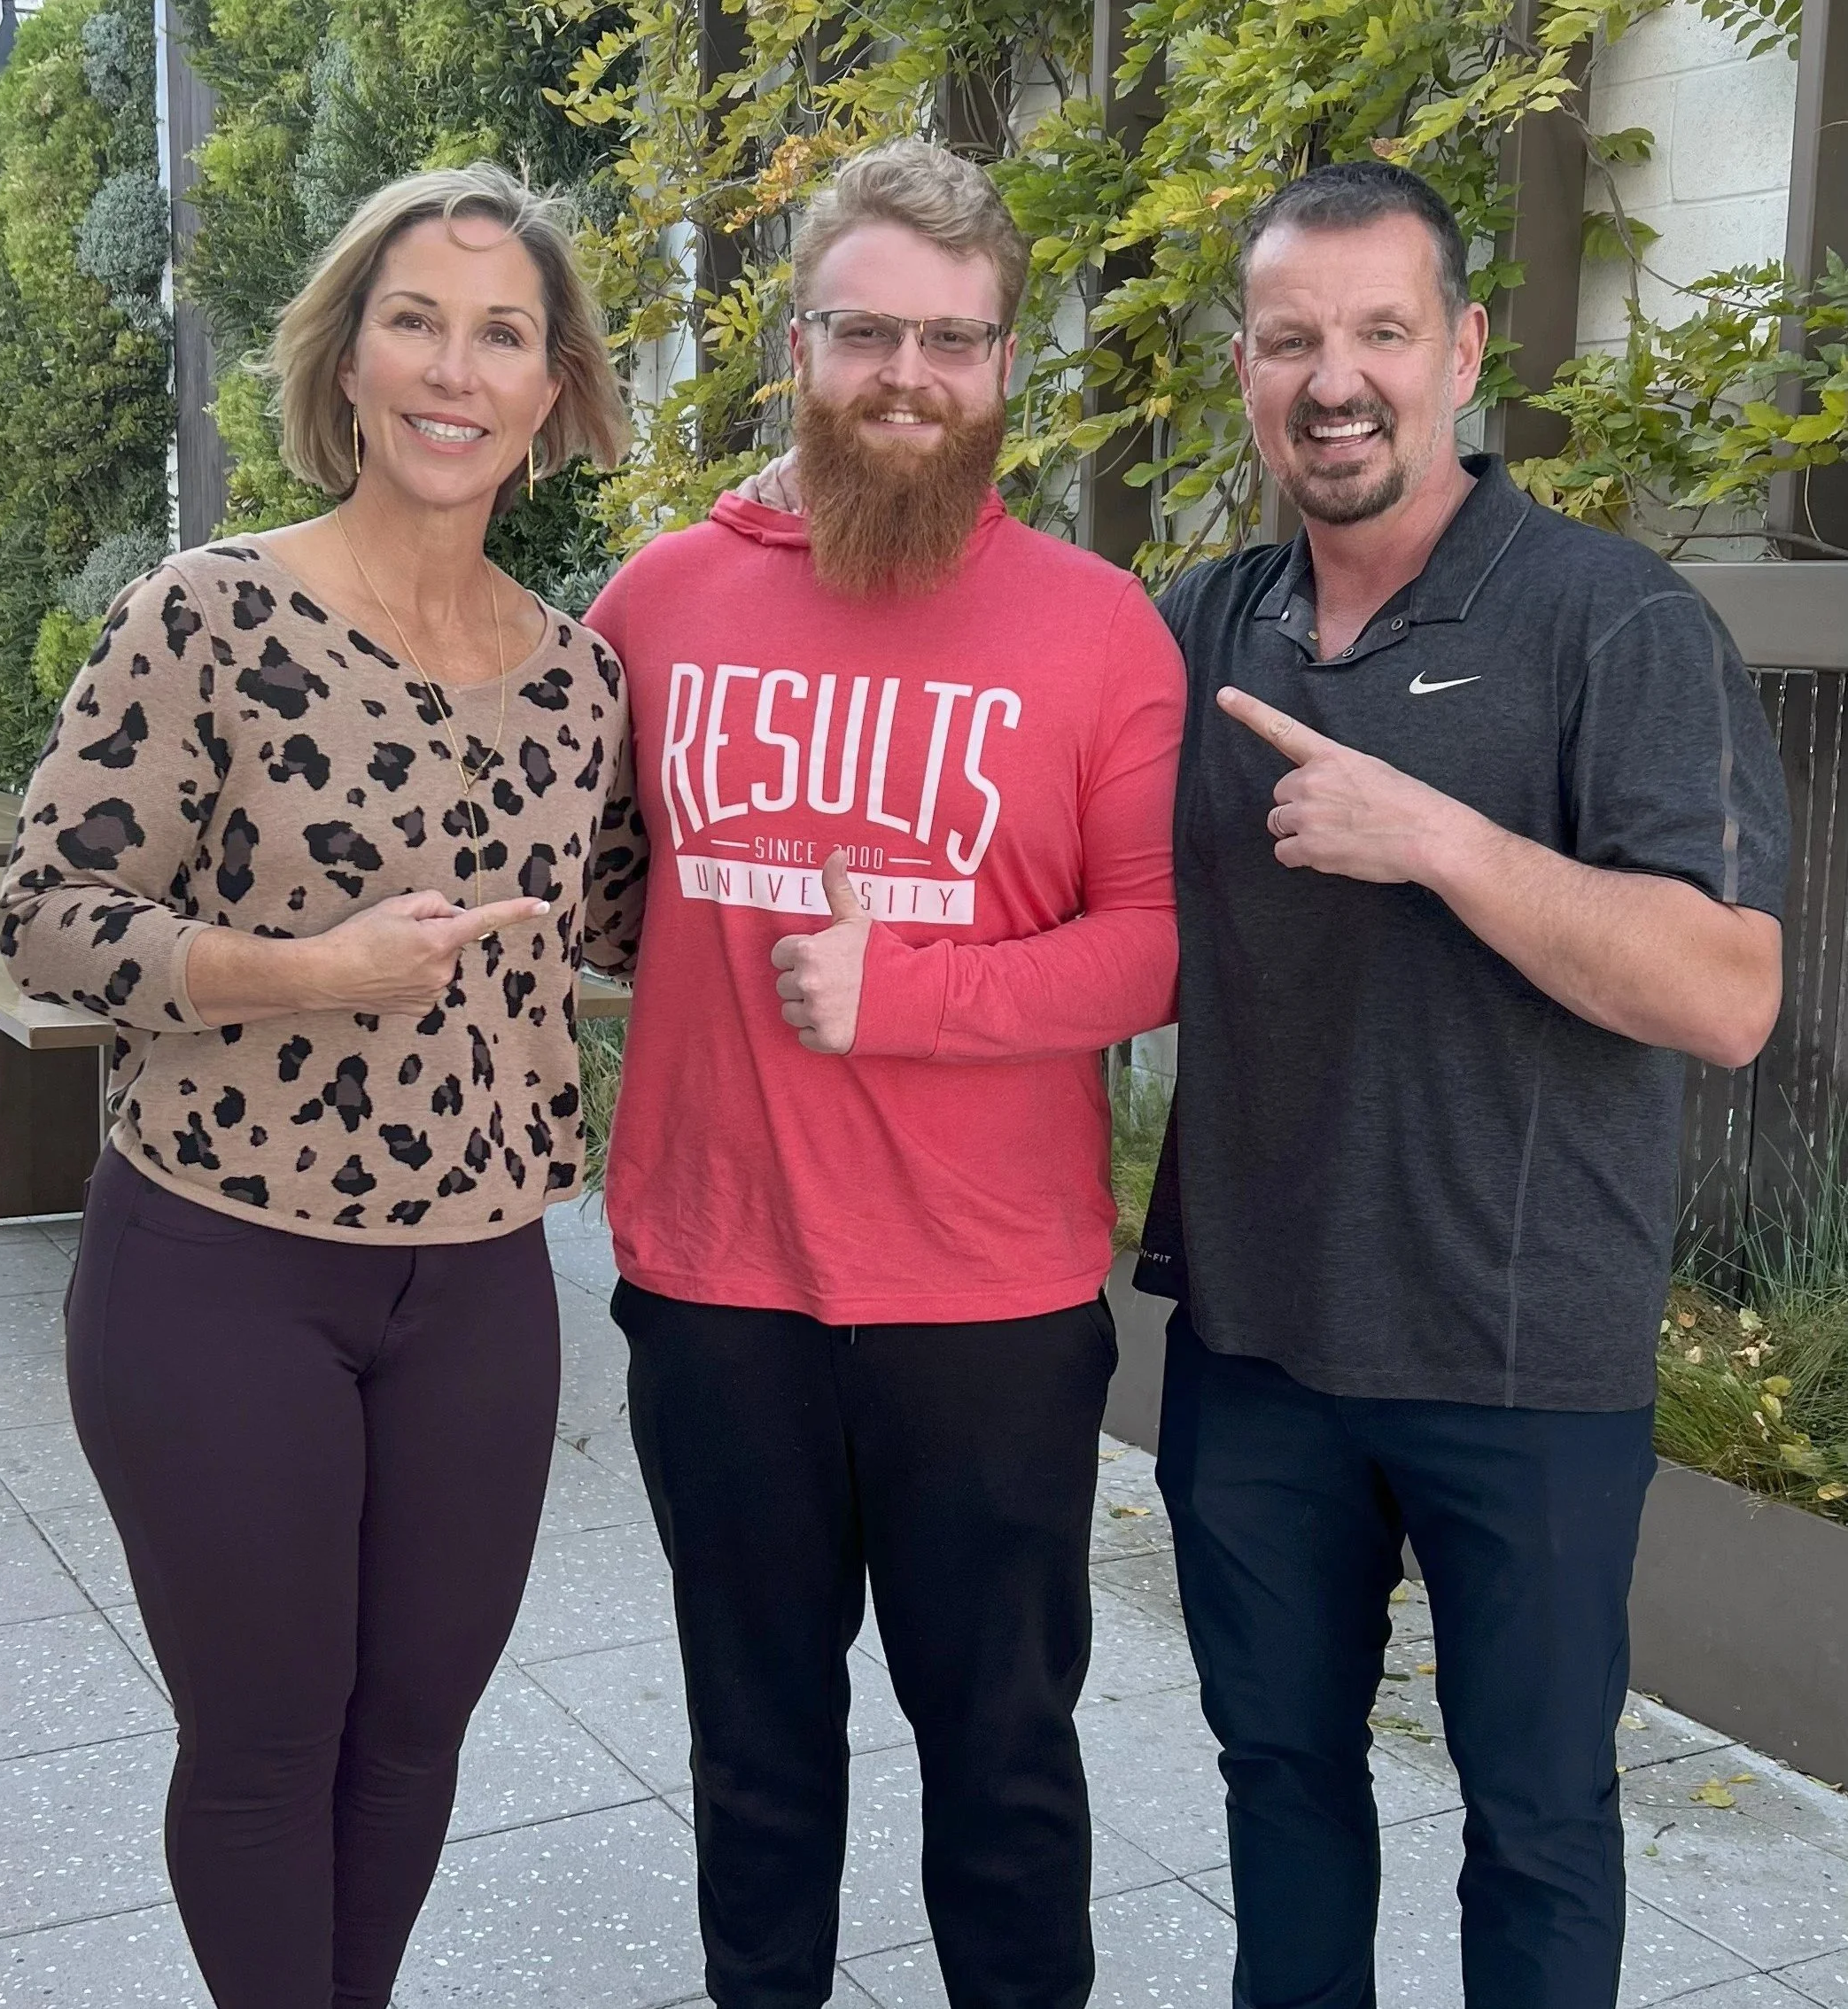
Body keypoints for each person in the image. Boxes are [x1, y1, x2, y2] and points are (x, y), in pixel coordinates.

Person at [1131, 161, 1790, 2009]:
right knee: (1280, 1785)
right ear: (1248, 369)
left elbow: (1729, 992)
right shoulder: (1203, 624)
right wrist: (820, 508)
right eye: (1289, 341)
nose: (1334, 381)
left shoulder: (1615, 622)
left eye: (1380, 333)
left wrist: (1437, 835)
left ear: (1464, 351)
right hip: (1258, 1344)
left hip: (1521, 1356)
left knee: (1538, 1820)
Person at [0, 163, 634, 2009]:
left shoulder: (584, 679)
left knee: (412, 1739)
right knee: (269, 1745)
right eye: (416, 321)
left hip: (482, 1282)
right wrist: (304, 973)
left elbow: (621, 919)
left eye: (502, 333)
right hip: (220, 1265)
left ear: (550, 388)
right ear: (349, 361)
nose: (456, 367)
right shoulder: (207, 617)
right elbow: (49, 920)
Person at [578, 140, 1184, 2008]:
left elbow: (1158, 949)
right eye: (867, 332)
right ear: (800, 345)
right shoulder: (655, 604)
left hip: (991, 1307)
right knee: (755, 1762)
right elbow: (588, 900)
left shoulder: (1096, 627)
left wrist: (909, 995)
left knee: (1003, 1764)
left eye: (953, 337)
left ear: (1007, 366)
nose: (907, 375)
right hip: (716, 1286)